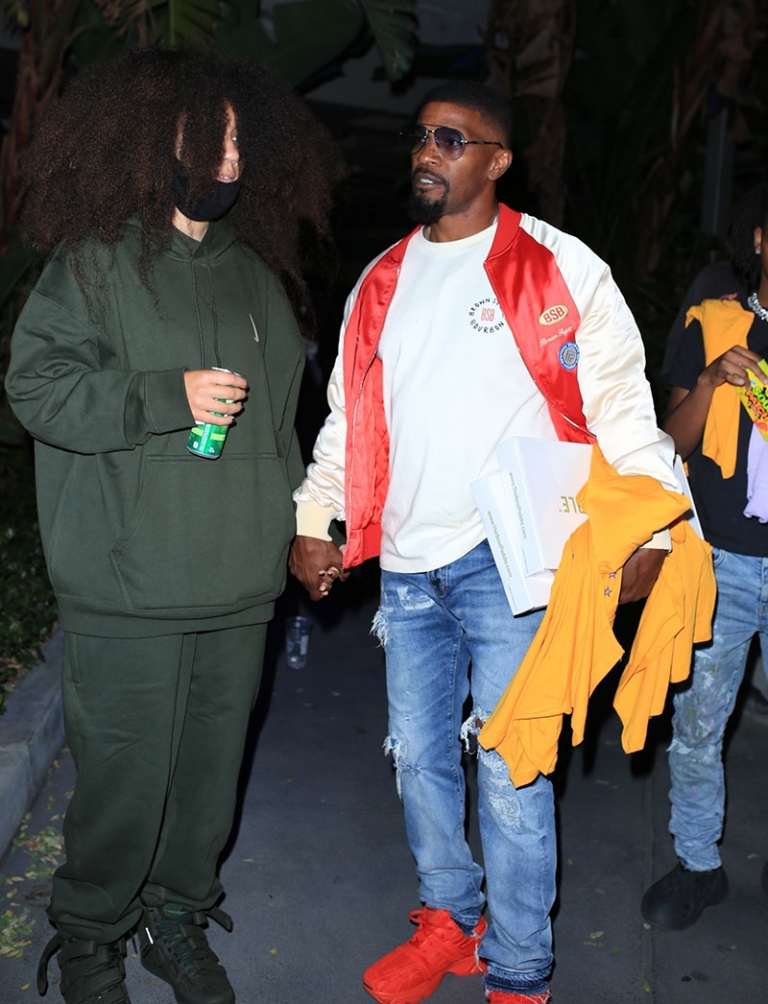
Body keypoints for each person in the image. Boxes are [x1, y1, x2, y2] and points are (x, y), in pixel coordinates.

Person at [289, 80, 679, 1004]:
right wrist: (317, 518)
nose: (428, 151)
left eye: (451, 139)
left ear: (497, 160)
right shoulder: (380, 280)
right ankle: (449, 920)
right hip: (411, 565)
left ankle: (520, 969)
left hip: (520, 562)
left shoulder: (559, 266)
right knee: (420, 760)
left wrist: (658, 523)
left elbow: (622, 399)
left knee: (513, 777)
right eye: (421, 136)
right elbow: (350, 417)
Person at [5, 47, 342, 1004]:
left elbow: (283, 433)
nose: (234, 161)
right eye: (218, 138)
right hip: (127, 583)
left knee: (206, 781)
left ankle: (175, 918)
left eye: (244, 142)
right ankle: (89, 938)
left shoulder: (259, 283)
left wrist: (304, 530)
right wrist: (164, 394)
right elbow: (35, 386)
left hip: (238, 590)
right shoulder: (96, 261)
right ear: (167, 138)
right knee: (122, 780)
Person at [641, 180, 768, 930]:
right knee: (697, 726)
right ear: (758, 238)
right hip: (721, 560)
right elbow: (673, 443)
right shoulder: (714, 320)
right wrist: (718, 379)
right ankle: (698, 864)